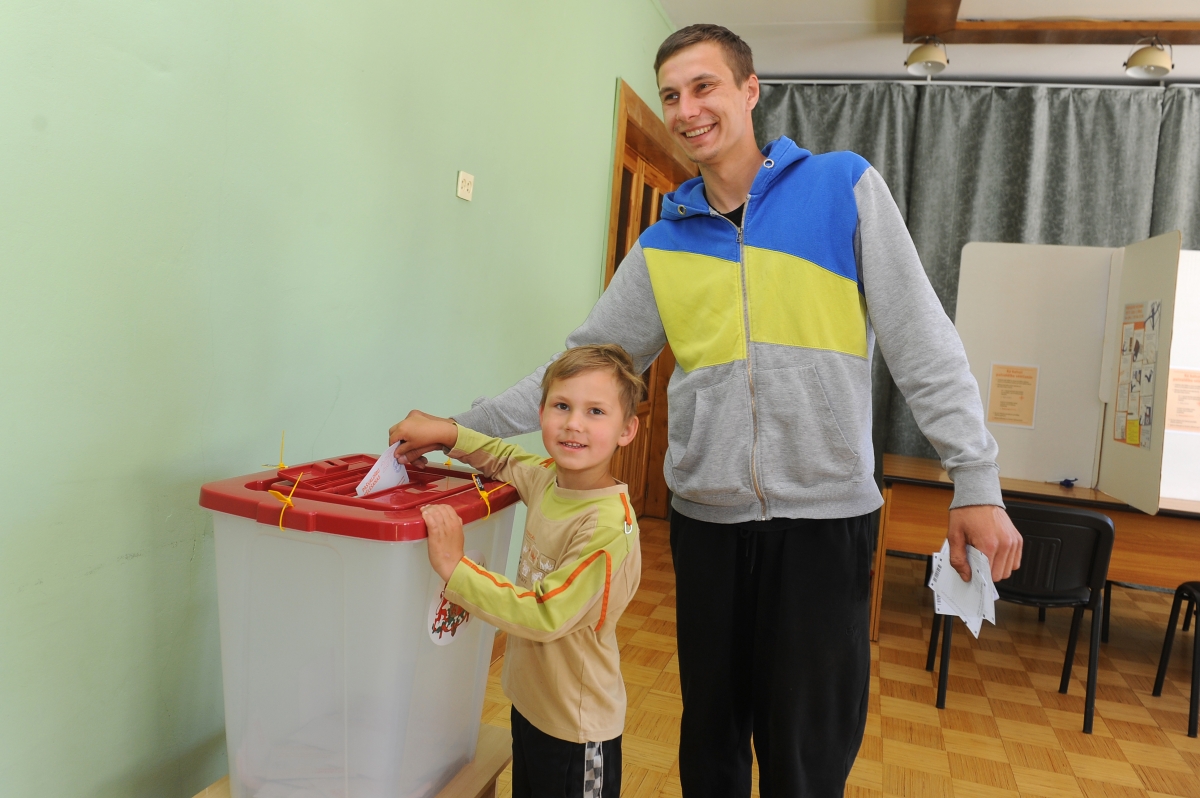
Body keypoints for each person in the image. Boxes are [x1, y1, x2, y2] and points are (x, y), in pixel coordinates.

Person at [393, 24, 1023, 798]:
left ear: (750, 90)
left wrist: (975, 478)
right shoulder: (663, 244)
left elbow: (922, 340)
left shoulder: (843, 188)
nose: (686, 109)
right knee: (712, 748)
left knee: (806, 759)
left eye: (704, 87)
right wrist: (461, 428)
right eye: (671, 95)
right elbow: (580, 369)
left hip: (825, 525)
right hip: (709, 527)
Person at [393, 344, 645, 798]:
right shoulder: (550, 479)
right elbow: (505, 458)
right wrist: (447, 432)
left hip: (576, 730)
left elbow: (545, 614)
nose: (574, 423)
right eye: (562, 406)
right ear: (541, 412)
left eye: (595, 411)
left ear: (626, 429)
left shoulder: (607, 528)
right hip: (531, 705)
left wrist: (456, 568)